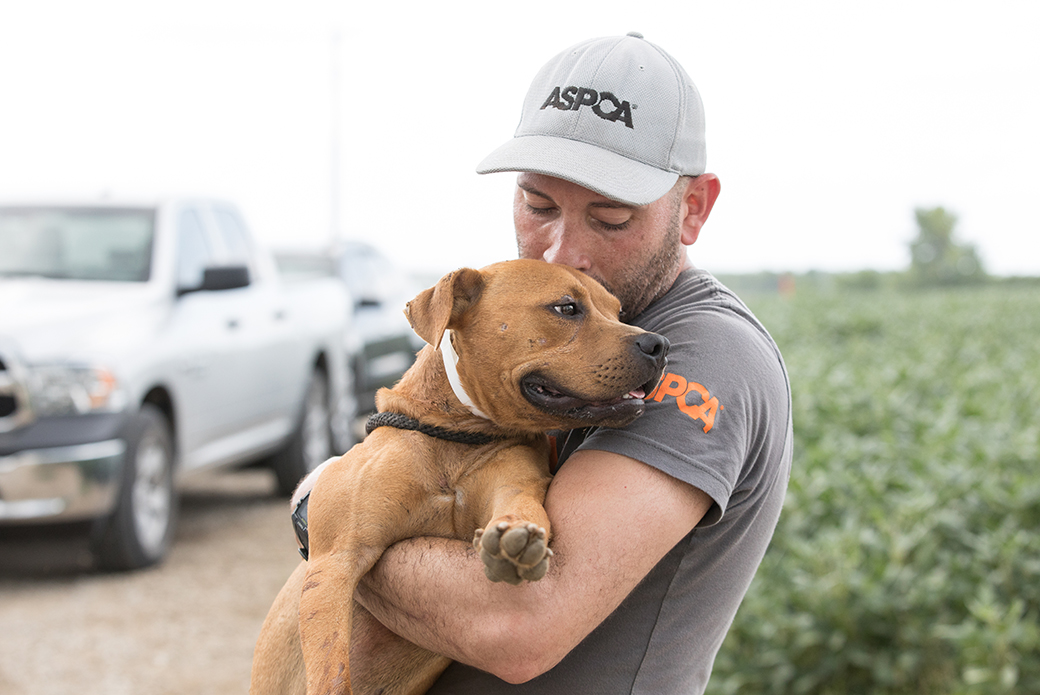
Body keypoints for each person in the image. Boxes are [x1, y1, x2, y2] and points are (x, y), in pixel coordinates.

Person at [354, 32, 792, 694]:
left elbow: (516, 625)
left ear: (693, 208)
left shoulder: (707, 353)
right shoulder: (540, 341)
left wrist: (328, 520)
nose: (561, 254)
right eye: (538, 205)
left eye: (610, 218)